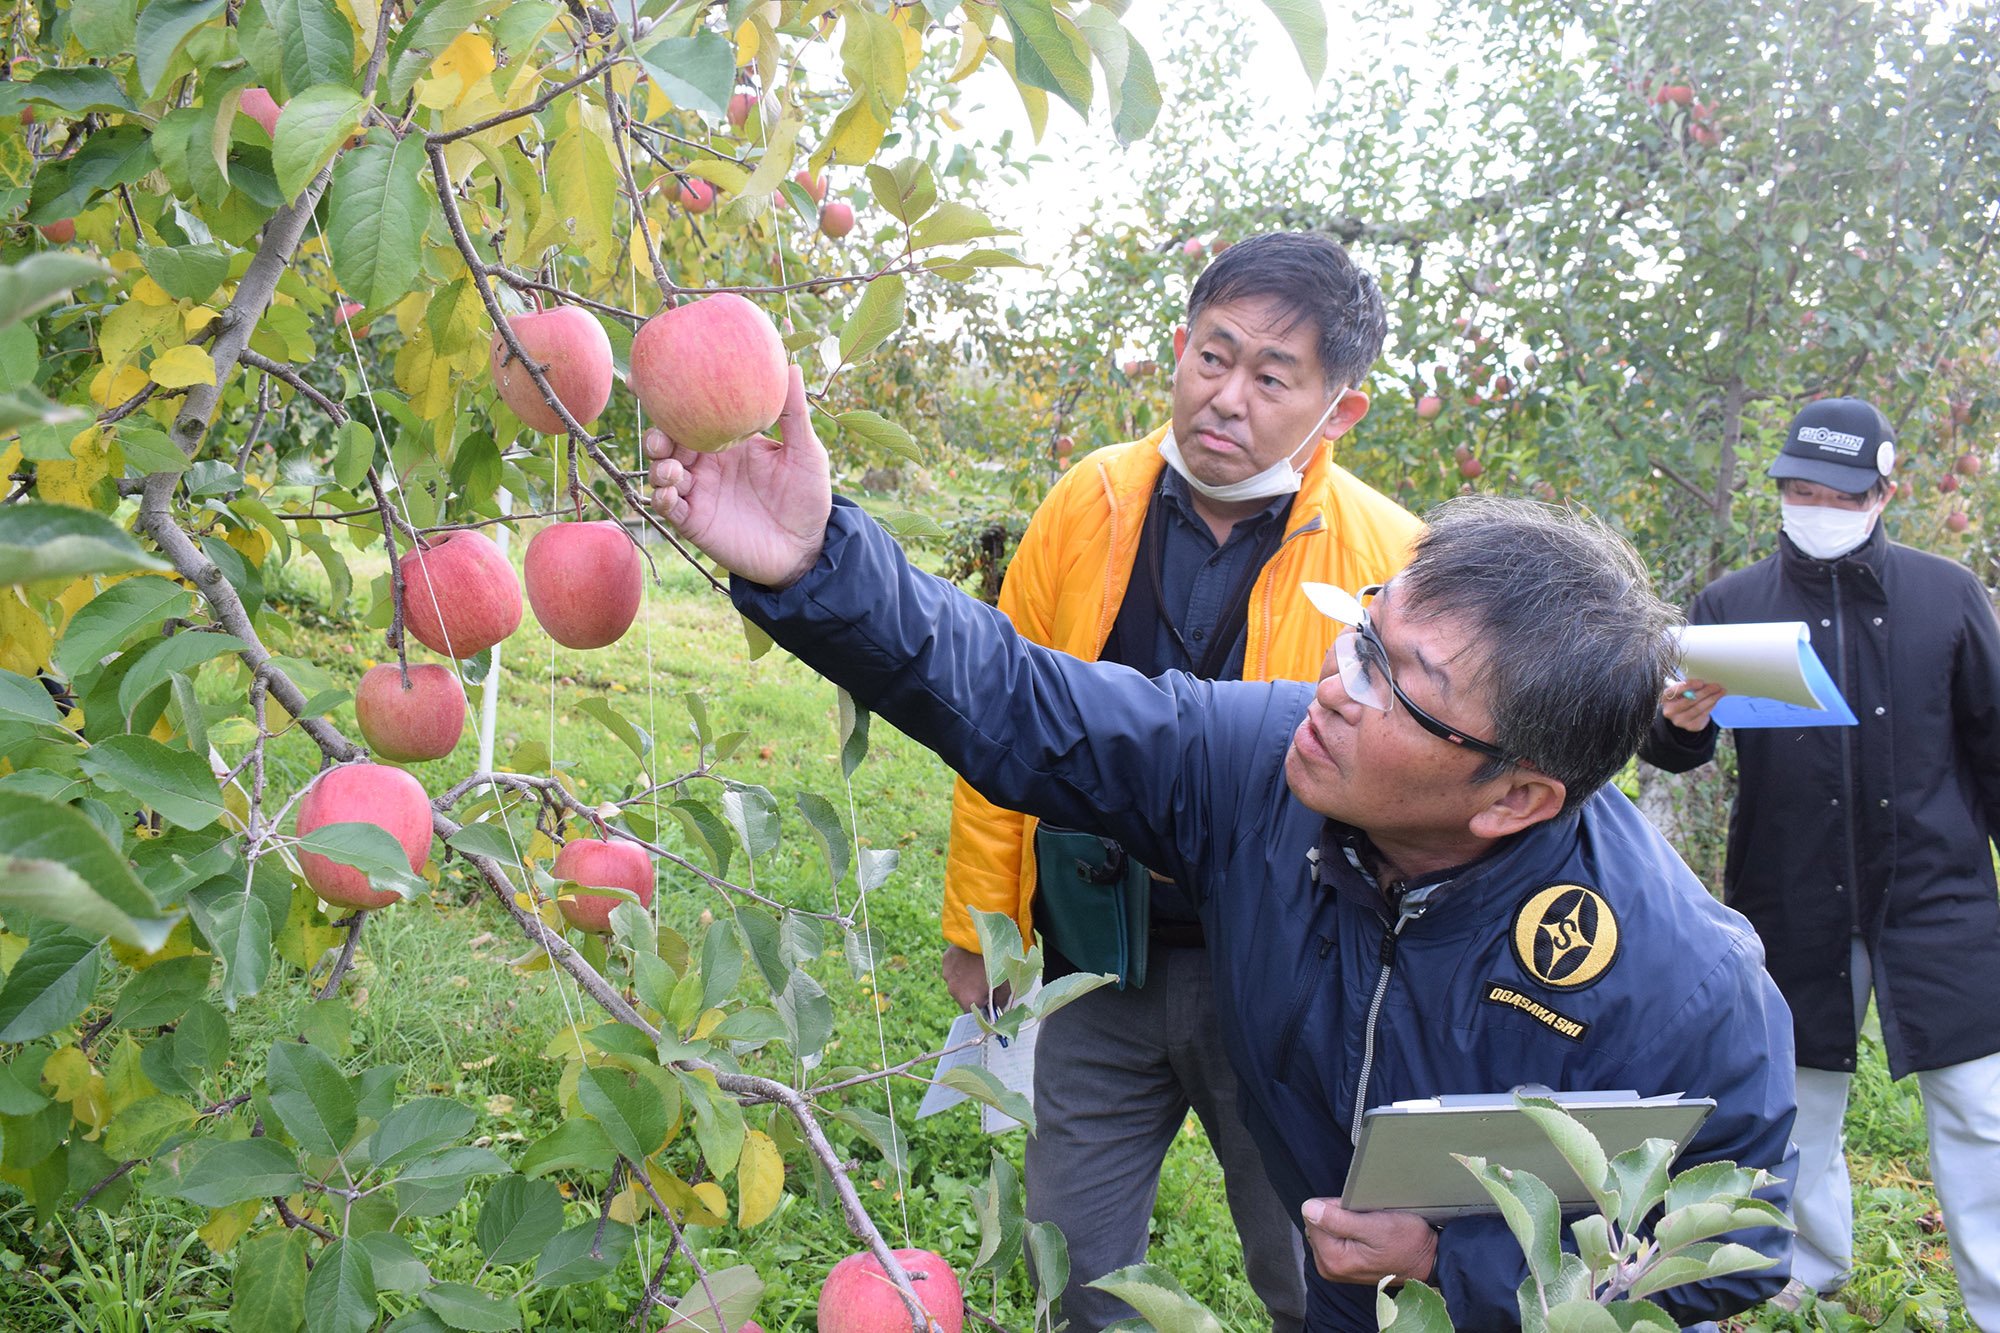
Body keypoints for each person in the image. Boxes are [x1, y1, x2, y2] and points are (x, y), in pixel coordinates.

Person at [642, 372, 1798, 1330]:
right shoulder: (1268, 767)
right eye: (1361, 634)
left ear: (1514, 795)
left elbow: (1736, 1240)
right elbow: (1027, 705)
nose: (1336, 685)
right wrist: (815, 563)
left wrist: (1457, 1263)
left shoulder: (1679, 983)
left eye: (1395, 684)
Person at [939, 232, 1422, 1332]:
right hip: (1095, 962)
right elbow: (998, 717)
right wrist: (981, 925)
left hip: (1286, 977)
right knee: (1075, 1265)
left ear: (1339, 409)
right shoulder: (1090, 502)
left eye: (1272, 377)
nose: (1226, 397)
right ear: (1178, 347)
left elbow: (1417, 781)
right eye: (1213, 356)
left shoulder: (1391, 562)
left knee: (1318, 1264)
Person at [1641, 396, 2000, 1327]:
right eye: (1801, 490)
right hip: (1792, 893)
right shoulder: (1731, 609)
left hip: (1939, 897)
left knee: (1980, 1109)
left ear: (1886, 494)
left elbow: (1993, 743)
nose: (1818, 509)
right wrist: (1675, 724)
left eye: (1840, 495)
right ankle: (1809, 1268)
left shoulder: (1948, 595)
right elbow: (1677, 748)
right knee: (1801, 1099)